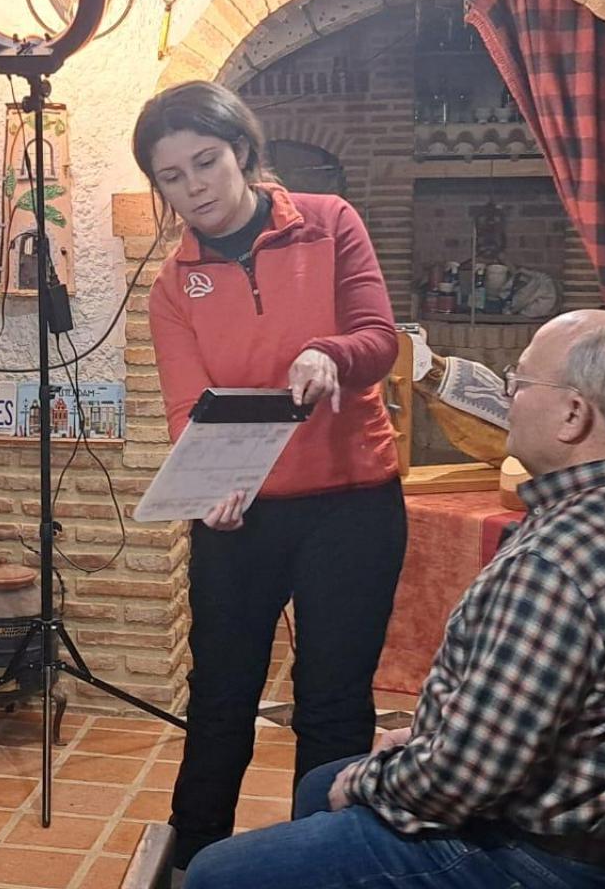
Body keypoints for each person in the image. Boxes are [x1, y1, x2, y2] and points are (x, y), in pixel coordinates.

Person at [185, 310, 605, 889]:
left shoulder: (555, 568)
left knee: (218, 873)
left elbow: (461, 782)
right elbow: (515, 718)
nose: (507, 396)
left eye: (520, 381)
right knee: (320, 785)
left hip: (532, 857)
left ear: (574, 414)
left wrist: (373, 780)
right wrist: (428, 738)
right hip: (603, 816)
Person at [135, 80, 407, 870]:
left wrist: (331, 353)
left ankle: (319, 865)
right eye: (171, 176)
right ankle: (195, 860)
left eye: (206, 163)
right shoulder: (172, 286)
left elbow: (378, 339)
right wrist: (207, 489)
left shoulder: (329, 223)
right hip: (240, 513)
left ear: (243, 151)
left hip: (352, 503)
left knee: (333, 699)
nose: (194, 188)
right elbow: (186, 410)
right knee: (221, 693)